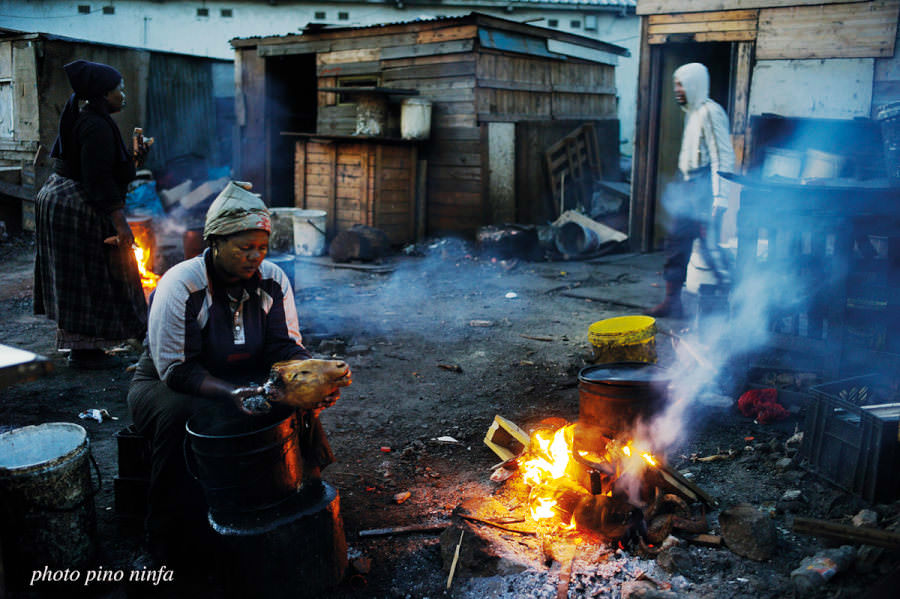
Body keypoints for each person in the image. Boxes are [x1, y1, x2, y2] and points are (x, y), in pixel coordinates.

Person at [127, 181, 339, 569]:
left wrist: (311, 376)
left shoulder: (273, 280)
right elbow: (176, 370)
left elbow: (283, 347)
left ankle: (298, 499)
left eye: (261, 247)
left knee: (297, 399)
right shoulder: (182, 284)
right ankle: (163, 537)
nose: (255, 256)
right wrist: (231, 392)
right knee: (188, 418)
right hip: (168, 384)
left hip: (243, 378)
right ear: (216, 242)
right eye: (244, 248)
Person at [33, 59, 148, 369]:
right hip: (72, 206)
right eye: (119, 90)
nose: (124, 95)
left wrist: (135, 159)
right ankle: (84, 352)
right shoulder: (95, 125)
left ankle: (88, 346)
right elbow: (99, 181)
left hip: (64, 199)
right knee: (88, 274)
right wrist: (121, 225)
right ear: (103, 94)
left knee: (86, 273)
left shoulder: (93, 119)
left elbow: (105, 170)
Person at [649, 62, 735, 319]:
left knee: (711, 247)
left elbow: (722, 156)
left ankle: (735, 301)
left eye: (681, 84)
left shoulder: (710, 112)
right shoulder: (692, 112)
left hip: (704, 188)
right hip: (687, 187)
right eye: (676, 84)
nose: (677, 89)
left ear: (694, 85)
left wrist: (720, 197)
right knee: (676, 243)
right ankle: (672, 302)